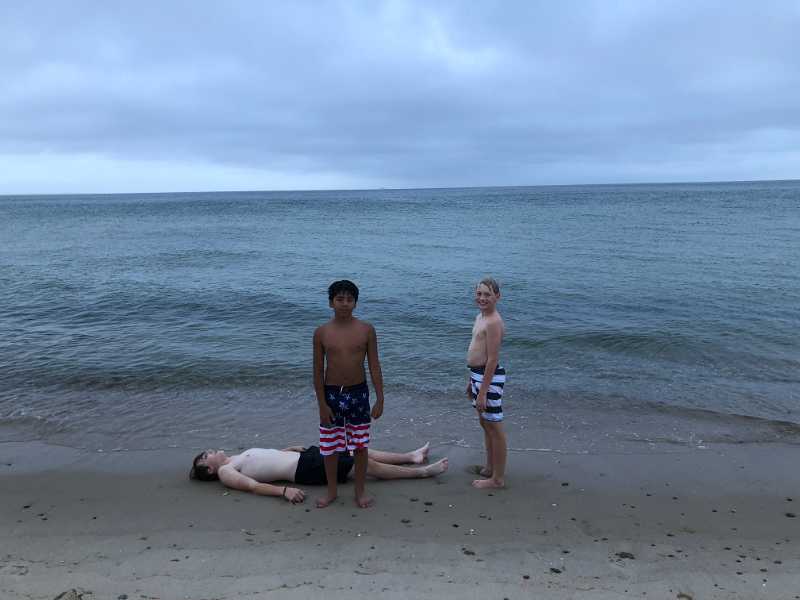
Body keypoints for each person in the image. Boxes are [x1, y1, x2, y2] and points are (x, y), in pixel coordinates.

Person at [314, 280, 384, 508]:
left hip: (358, 393)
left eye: (349, 299)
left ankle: (360, 492)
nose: (344, 304)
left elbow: (374, 366)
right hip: (332, 394)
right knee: (330, 447)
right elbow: (318, 371)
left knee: (360, 446)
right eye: (339, 299)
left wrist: (380, 398)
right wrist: (322, 404)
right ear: (330, 303)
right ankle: (332, 491)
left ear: (355, 303)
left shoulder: (366, 330)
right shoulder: (322, 333)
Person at [189, 443, 447, 502]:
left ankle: (411, 457)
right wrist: (283, 492)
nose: (210, 450)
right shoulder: (226, 471)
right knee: (363, 464)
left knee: (357, 449)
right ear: (209, 468)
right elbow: (252, 486)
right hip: (305, 470)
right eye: (206, 455)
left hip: (304, 457)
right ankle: (421, 473)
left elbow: (268, 458)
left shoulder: (235, 457)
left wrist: (288, 448)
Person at [466, 276, 507, 489]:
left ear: (497, 297)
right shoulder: (480, 317)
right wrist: (470, 382)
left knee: (494, 427)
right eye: (479, 293)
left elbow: (492, 359)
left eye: (487, 294)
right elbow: (477, 351)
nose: (482, 298)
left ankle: (497, 478)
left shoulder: (494, 322)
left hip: (488, 378)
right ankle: (490, 467)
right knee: (485, 423)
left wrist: (482, 392)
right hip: (477, 375)